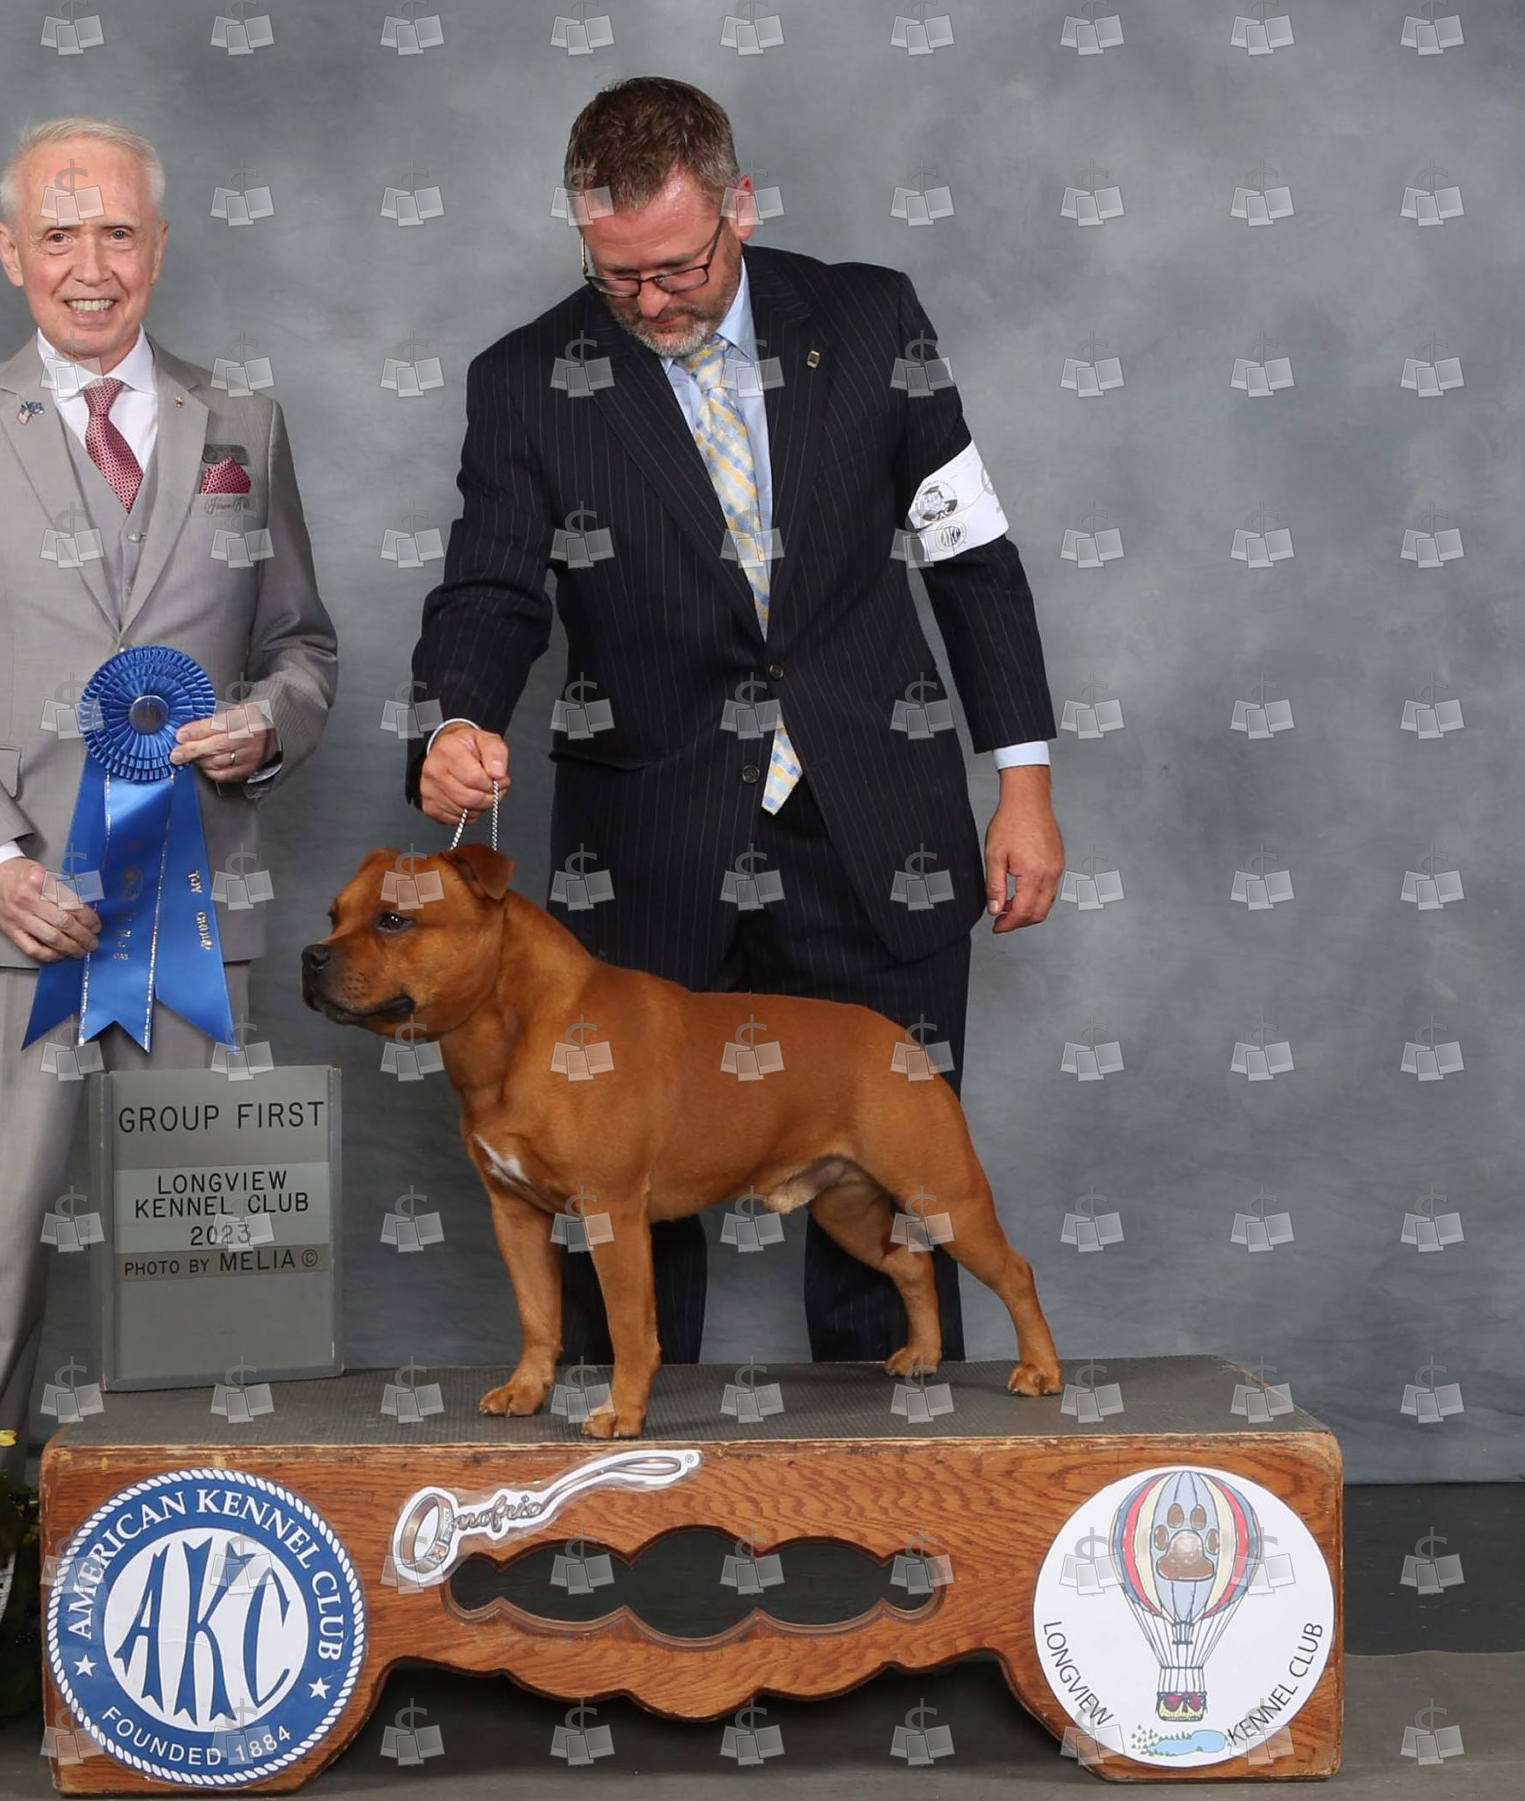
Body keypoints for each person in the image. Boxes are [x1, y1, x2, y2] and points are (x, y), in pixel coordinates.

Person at [408, 76, 1063, 1371]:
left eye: (680, 267)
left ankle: (896, 1469)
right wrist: (454, 721)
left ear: (741, 206)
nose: (653, 301)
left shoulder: (872, 318)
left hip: (879, 820)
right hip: (643, 839)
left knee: (885, 1192)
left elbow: (970, 556)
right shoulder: (527, 379)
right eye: (617, 277)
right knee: (610, 1183)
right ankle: (618, 1472)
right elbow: (488, 588)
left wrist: (1025, 784)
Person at [0, 115, 336, 1437]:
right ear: (10, 252)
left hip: (196, 912)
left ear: (158, 246)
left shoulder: (246, 423)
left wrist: (267, 724)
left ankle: (205, 1538)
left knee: (213, 1263)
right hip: (10, 920)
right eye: (58, 235)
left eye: (118, 232)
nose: (91, 266)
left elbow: (302, 646)